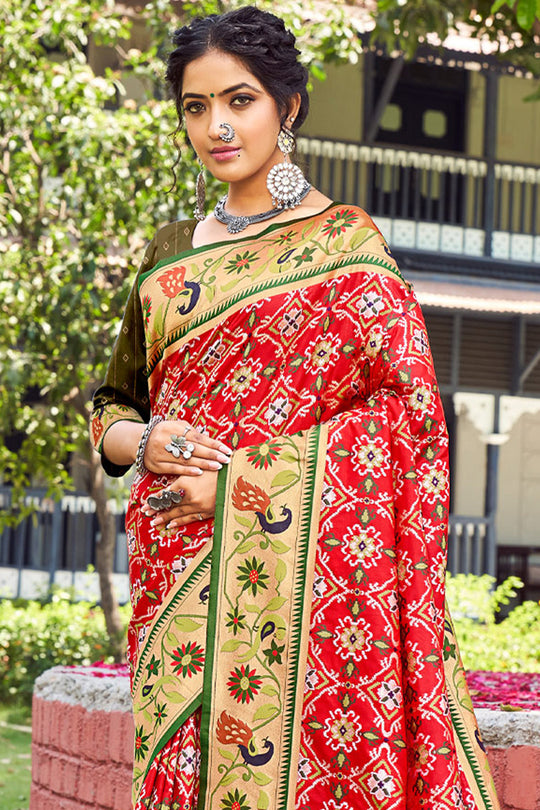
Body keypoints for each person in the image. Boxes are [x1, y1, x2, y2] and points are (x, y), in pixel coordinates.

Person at [90, 6, 500, 810]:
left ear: (289, 106)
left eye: (239, 101)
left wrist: (243, 485)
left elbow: (407, 419)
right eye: (195, 106)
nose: (216, 127)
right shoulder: (170, 250)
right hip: (174, 579)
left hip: (297, 586)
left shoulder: (346, 247)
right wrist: (146, 439)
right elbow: (112, 407)